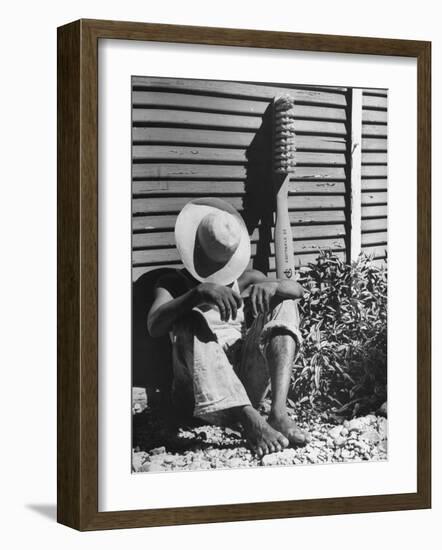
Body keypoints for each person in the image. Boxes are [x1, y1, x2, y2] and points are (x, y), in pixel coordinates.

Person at [147, 198, 310, 457]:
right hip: (199, 394)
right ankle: (250, 422)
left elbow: (298, 291)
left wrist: (274, 286)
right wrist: (196, 295)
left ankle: (278, 413)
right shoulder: (172, 282)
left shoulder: (244, 280)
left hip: (244, 384)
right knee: (191, 319)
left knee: (286, 304)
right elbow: (154, 324)